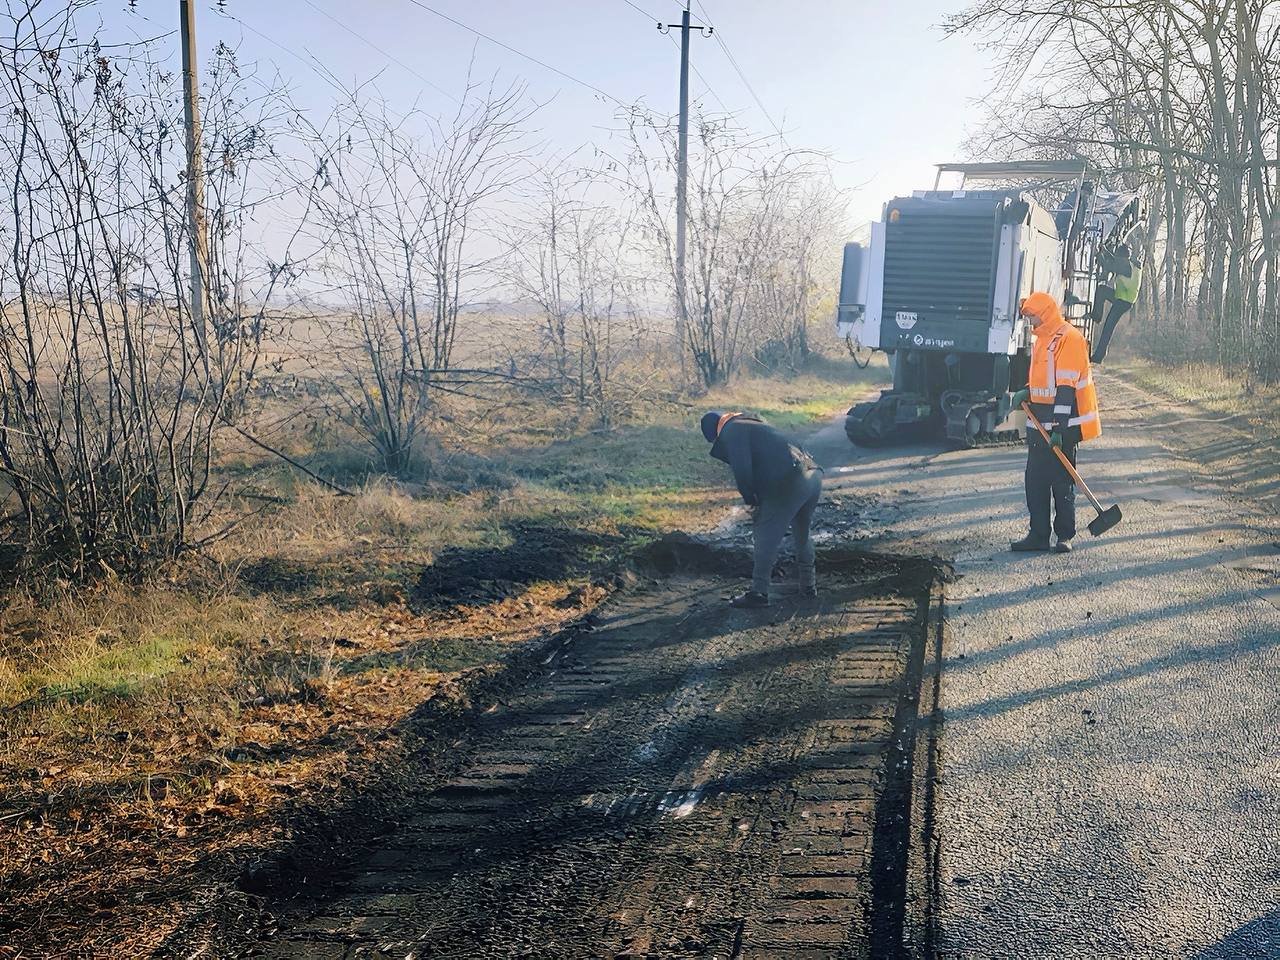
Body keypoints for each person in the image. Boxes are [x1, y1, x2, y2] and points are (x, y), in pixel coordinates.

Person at [1008, 291, 1102, 553]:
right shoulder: (1041, 340)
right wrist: (1027, 390)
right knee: (1035, 481)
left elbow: (1065, 388)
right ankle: (1038, 535)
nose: (1030, 322)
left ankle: (1064, 536)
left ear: (1045, 313)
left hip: (1065, 423)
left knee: (1062, 480)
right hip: (1039, 421)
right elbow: (1043, 379)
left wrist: (1060, 428)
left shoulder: (1069, 339)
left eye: (1032, 316)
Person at [700, 410, 822, 608]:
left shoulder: (732, 431)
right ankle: (808, 586)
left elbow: (743, 469)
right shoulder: (752, 422)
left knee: (765, 534)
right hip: (813, 474)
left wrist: (751, 500)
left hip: (791, 479)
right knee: (802, 532)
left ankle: (758, 592)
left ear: (715, 433)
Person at [1089, 243, 1142, 363]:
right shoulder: (1129, 264)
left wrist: (1098, 254)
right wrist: (1105, 251)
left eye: (1118, 258)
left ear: (1122, 258)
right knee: (1102, 290)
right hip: (1120, 296)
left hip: (1124, 302)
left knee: (1108, 327)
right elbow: (1114, 260)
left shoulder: (1126, 268)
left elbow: (1109, 265)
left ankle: (1099, 356)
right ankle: (1097, 316)